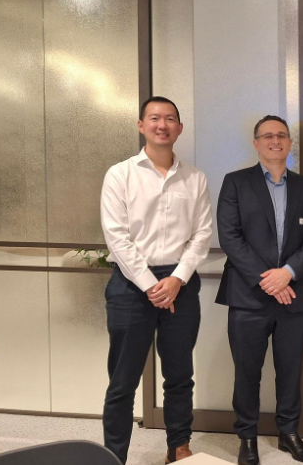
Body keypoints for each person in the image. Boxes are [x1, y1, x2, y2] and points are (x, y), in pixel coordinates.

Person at [100, 96, 212, 464]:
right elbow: (116, 236)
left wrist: (177, 279)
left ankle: (178, 445)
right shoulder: (120, 174)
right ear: (141, 125)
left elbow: (202, 235)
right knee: (123, 380)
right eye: (154, 118)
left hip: (180, 284)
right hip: (132, 285)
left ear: (179, 128)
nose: (162, 125)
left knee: (179, 375)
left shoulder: (195, 178)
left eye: (170, 119)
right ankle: (114, 455)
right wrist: (151, 284)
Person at [216, 115, 303, 465]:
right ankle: (246, 437)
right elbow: (230, 237)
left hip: (295, 294)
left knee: (291, 369)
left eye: (281, 135)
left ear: (290, 143)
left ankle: (288, 433)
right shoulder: (235, 183)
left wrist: (288, 273)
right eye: (267, 136)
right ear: (256, 143)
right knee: (247, 371)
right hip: (249, 296)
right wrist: (270, 278)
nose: (275, 140)